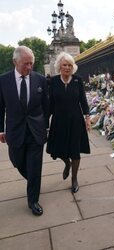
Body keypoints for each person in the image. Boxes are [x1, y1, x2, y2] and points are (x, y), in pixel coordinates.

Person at [0, 45, 49, 216]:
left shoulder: (40, 80)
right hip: (15, 130)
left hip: (36, 130)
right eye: (25, 64)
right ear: (15, 61)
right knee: (17, 161)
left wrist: (46, 126)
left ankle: (33, 200)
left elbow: (46, 106)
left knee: (35, 166)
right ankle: (33, 180)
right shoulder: (3, 81)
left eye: (31, 64)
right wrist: (1, 130)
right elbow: (0, 108)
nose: (29, 67)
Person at [46, 52, 91, 193]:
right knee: (58, 149)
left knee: (75, 150)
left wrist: (87, 117)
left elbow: (83, 100)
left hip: (75, 120)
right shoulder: (53, 81)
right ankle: (67, 164)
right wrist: (45, 121)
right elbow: (50, 103)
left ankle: (74, 178)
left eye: (70, 65)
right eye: (64, 65)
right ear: (59, 65)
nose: (67, 67)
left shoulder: (77, 80)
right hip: (59, 121)